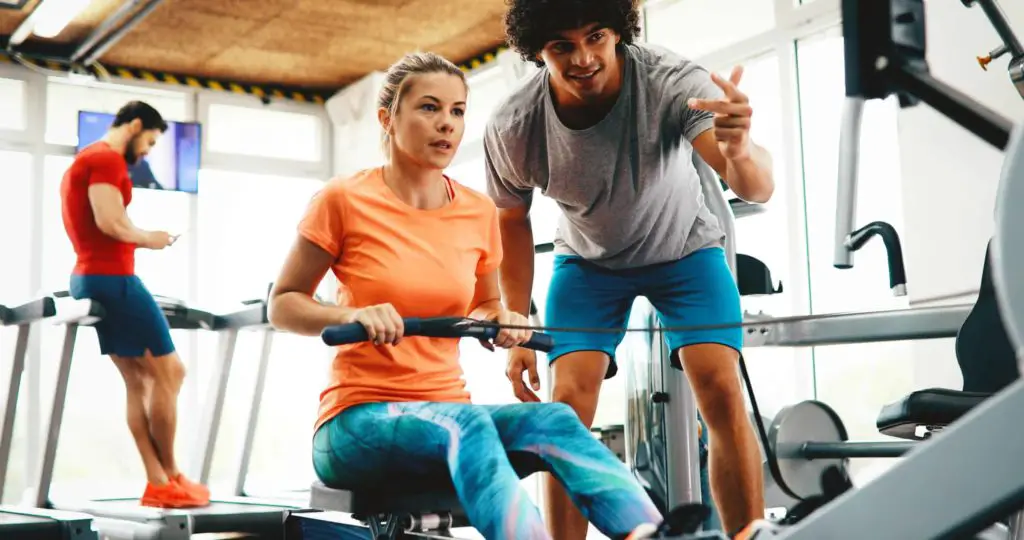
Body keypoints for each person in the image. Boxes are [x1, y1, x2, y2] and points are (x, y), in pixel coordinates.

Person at [268, 51, 675, 540]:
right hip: (357, 422)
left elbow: (483, 304)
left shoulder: (478, 212)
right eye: (429, 108)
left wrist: (503, 319)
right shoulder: (343, 200)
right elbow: (284, 302)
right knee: (464, 424)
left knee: (555, 420)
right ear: (388, 117)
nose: (447, 125)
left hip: (449, 413)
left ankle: (653, 533)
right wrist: (353, 312)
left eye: (458, 111)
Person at [484, 0, 775, 537]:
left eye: (596, 36)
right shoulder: (515, 124)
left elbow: (756, 187)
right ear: (536, 51)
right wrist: (517, 319)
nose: (583, 58)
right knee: (566, 406)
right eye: (561, 47)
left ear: (619, 30)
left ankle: (746, 535)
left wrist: (740, 148)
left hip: (685, 251)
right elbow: (510, 220)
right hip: (588, 264)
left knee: (719, 385)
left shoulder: (670, 82)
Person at [60, 101, 209, 509]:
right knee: (171, 371)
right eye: (150, 141)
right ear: (136, 125)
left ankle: (158, 481)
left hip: (92, 276)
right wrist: (152, 238)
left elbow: (104, 221)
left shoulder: (90, 159)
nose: (147, 151)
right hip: (114, 278)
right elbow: (110, 222)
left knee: (139, 381)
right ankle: (172, 473)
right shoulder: (105, 159)